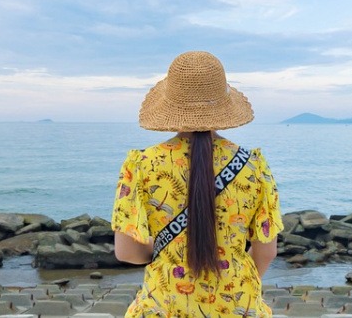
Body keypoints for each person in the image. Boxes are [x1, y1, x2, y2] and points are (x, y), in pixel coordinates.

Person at [112, 51, 283, 318]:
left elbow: (125, 252)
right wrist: (236, 282)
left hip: (163, 306)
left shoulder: (141, 165)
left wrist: (164, 250)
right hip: (239, 306)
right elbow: (267, 251)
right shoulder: (253, 165)